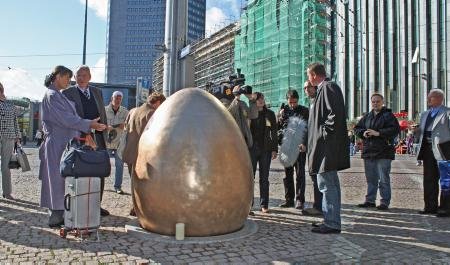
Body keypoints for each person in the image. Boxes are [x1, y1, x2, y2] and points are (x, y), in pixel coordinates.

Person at [39, 65, 106, 227]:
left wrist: (85, 135)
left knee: (62, 177)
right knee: (56, 178)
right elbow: (66, 119)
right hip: (57, 142)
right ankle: (56, 213)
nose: (70, 81)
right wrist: (89, 124)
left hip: (65, 141)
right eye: (68, 77)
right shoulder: (53, 95)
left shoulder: (57, 95)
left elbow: (69, 120)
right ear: (58, 76)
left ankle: (62, 211)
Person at [307, 62, 350, 234]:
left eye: (308, 75)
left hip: (326, 147)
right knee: (326, 183)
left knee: (327, 185)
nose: (308, 79)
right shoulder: (322, 89)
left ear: (314, 75)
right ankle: (329, 219)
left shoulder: (329, 87)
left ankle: (332, 222)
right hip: (324, 146)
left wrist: (325, 133)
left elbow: (336, 113)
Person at [62, 65, 110, 216]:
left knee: (99, 170)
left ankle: (96, 204)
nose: (81, 78)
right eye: (78, 75)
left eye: (84, 75)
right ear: (74, 78)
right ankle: (80, 205)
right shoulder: (68, 93)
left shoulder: (97, 92)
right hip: (79, 138)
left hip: (98, 138)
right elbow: (67, 117)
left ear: (90, 76)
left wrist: (104, 128)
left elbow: (102, 113)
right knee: (81, 171)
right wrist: (87, 125)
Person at [354, 93, 400, 210]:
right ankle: (370, 200)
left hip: (384, 151)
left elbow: (395, 129)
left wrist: (378, 133)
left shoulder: (388, 115)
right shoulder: (367, 116)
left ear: (382, 102)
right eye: (373, 101)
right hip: (369, 151)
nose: (375, 103)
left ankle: (384, 202)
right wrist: (363, 133)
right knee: (371, 178)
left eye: (377, 101)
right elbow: (357, 128)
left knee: (384, 178)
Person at [122, 92, 166, 216]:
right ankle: (142, 209)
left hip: (130, 152)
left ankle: (134, 207)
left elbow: (126, 129)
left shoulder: (133, 111)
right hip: (143, 155)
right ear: (157, 102)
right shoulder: (153, 114)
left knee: (134, 182)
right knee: (146, 184)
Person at [417, 89, 450, 217]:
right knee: (429, 179)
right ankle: (430, 206)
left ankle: (445, 208)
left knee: (446, 180)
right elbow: (421, 132)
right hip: (427, 151)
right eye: (428, 97)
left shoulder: (447, 112)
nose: (428, 99)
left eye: (431, 97)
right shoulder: (425, 114)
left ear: (439, 98)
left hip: (444, 151)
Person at [277, 89, 309, 209]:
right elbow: (278, 128)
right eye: (290, 102)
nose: (292, 105)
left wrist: (304, 143)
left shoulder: (304, 111)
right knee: (287, 174)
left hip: (299, 147)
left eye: (294, 102)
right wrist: (279, 117)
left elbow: (307, 129)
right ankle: (289, 199)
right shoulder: (284, 111)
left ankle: (300, 199)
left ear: (298, 100)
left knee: (300, 174)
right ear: (287, 100)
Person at [249, 92, 278, 213]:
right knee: (251, 177)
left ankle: (264, 204)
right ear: (254, 102)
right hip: (252, 149)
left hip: (266, 149)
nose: (261, 101)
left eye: (262, 99)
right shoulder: (251, 114)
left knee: (264, 178)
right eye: (258, 99)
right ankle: (249, 204)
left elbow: (274, 132)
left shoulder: (270, 114)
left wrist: (274, 149)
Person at [301, 81, 323, 216]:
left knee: (320, 178)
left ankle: (320, 207)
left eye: (308, 87)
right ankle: (318, 205)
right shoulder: (312, 103)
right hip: (312, 146)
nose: (306, 90)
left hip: (319, 146)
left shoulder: (319, 101)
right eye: (304, 88)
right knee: (315, 177)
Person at [105, 91, 129, 194]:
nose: (118, 100)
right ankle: (101, 185)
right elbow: (97, 124)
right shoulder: (104, 110)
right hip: (106, 143)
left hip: (119, 143)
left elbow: (129, 126)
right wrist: (106, 127)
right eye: (116, 98)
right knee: (103, 164)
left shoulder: (125, 112)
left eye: (120, 99)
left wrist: (125, 125)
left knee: (119, 165)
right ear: (112, 98)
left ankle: (117, 187)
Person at [0, 82, 21, 200]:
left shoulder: (10, 105)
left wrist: (18, 137)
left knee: (5, 166)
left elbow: (15, 122)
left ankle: (7, 192)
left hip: (9, 137)